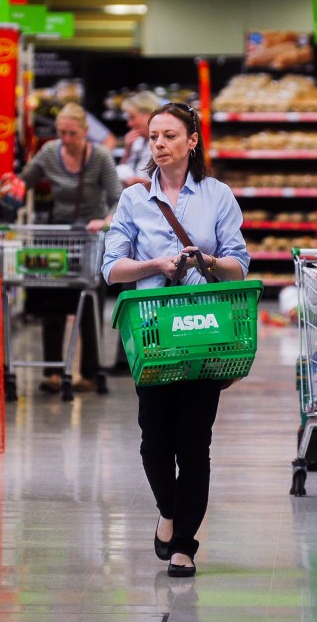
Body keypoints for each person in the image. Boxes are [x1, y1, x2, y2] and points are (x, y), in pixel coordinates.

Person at [101, 102, 250, 578]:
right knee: (153, 442)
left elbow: (238, 263)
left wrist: (203, 259)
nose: (160, 144)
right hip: (152, 335)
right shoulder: (133, 200)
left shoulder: (217, 195)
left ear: (192, 141)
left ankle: (184, 543)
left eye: (169, 135)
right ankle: (169, 510)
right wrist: (156, 266)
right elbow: (111, 269)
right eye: (154, 136)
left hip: (205, 332)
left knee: (194, 443)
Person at [19, 102, 123, 394]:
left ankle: (89, 373)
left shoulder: (100, 157)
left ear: (85, 132)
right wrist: (10, 188)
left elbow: (118, 197)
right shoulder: (49, 152)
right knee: (51, 306)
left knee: (89, 304)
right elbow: (24, 181)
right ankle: (53, 372)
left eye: (72, 133)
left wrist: (106, 220)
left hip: (90, 239)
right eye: (61, 132)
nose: (66, 138)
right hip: (58, 238)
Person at [108, 90, 164, 375]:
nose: (129, 124)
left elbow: (145, 181)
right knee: (131, 293)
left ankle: (145, 354)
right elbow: (125, 176)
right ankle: (129, 357)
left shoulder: (157, 146)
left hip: (151, 228)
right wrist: (128, 153)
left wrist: (134, 177)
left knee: (147, 294)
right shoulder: (139, 143)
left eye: (133, 117)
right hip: (135, 226)